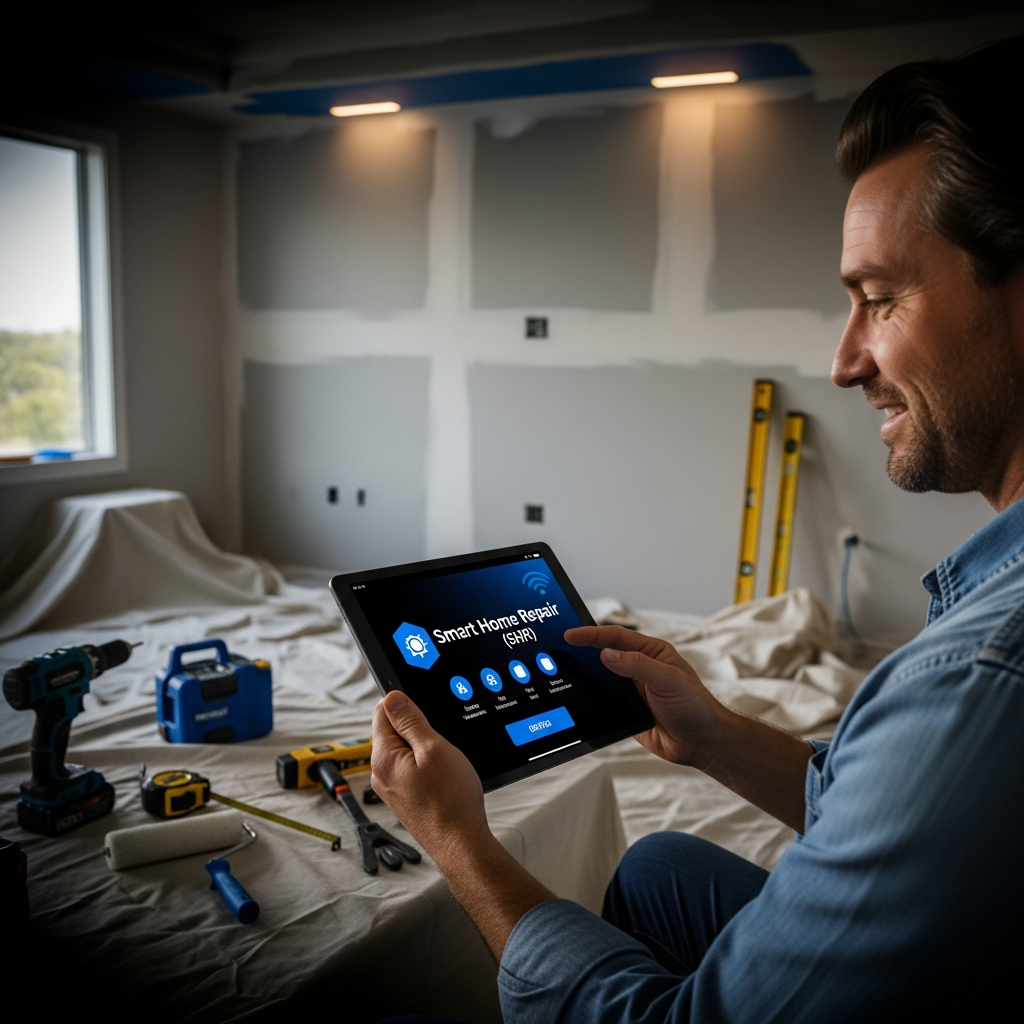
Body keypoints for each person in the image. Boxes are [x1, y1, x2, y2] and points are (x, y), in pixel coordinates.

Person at [370, 37, 1024, 1023]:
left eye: (880, 299)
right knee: (659, 866)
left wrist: (460, 841)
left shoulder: (976, 676)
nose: (844, 362)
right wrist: (717, 736)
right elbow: (922, 821)